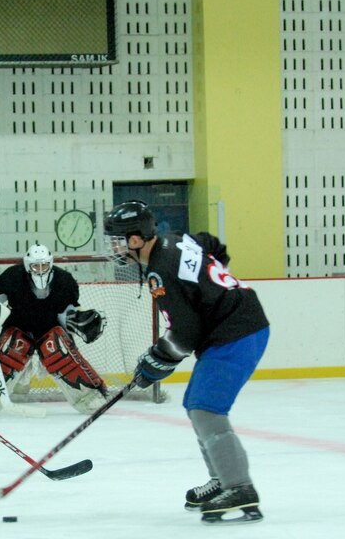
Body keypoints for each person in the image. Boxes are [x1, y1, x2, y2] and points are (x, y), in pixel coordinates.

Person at [103, 201, 269, 525]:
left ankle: (239, 487)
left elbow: (186, 332)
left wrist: (157, 360)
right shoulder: (174, 240)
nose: (115, 246)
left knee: (206, 407)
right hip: (236, 327)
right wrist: (212, 288)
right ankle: (223, 478)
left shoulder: (160, 269)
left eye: (118, 239)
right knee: (197, 403)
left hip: (237, 333)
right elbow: (211, 245)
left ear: (136, 240)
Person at [0, 244, 108, 415]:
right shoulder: (14, 277)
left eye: (44, 266)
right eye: (35, 266)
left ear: (50, 264)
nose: (40, 270)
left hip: (51, 329)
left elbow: (68, 310)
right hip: (18, 327)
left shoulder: (64, 280)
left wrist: (79, 319)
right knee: (13, 347)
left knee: (59, 349)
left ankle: (90, 397)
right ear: (27, 265)